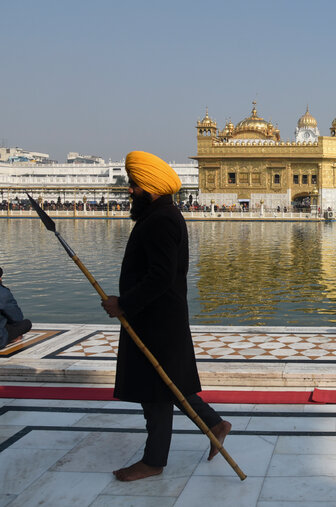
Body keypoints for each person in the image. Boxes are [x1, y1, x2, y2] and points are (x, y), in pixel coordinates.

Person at [101, 151, 231, 482]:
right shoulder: (160, 215)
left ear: (152, 187)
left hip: (156, 320)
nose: (130, 191)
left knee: (156, 391)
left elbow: (160, 276)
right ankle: (213, 423)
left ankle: (154, 461)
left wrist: (124, 304)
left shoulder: (160, 220)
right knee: (167, 383)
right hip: (157, 317)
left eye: (134, 185)